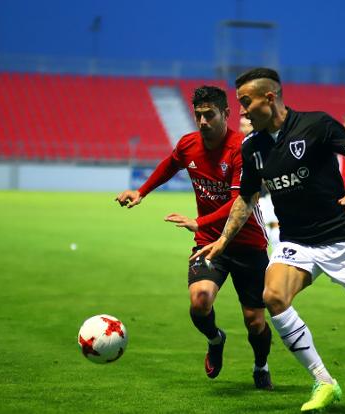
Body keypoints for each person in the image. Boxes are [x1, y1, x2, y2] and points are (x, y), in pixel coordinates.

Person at [193, 68, 345, 411]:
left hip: (343, 239)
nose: (243, 113)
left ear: (270, 97)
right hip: (297, 242)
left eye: (246, 103)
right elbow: (246, 198)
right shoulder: (253, 148)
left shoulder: (316, 124)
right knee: (273, 296)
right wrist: (222, 240)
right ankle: (324, 382)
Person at [115, 86, 274, 389]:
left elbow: (241, 201)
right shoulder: (189, 144)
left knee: (255, 322)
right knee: (200, 301)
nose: (202, 122)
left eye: (209, 115)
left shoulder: (243, 149)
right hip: (208, 242)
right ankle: (216, 339)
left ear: (226, 114)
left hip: (248, 243)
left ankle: (260, 365)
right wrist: (141, 191)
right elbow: (169, 165)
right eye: (198, 115)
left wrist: (199, 220)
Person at [240, 117, 280, 247]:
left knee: (273, 224)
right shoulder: (242, 146)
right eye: (242, 125)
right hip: (251, 195)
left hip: (267, 193)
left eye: (248, 125)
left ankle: (275, 257)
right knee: (261, 226)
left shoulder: (264, 145)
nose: (245, 128)